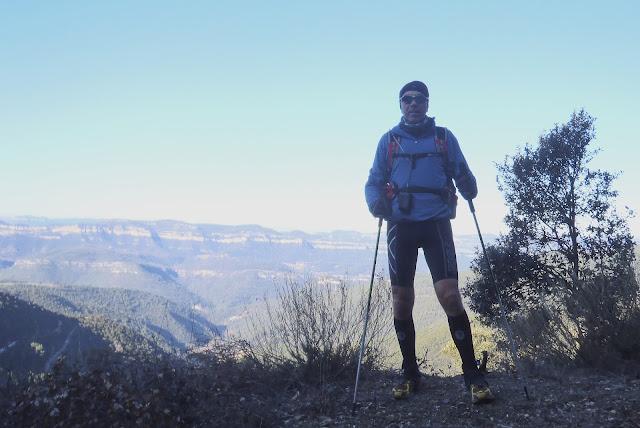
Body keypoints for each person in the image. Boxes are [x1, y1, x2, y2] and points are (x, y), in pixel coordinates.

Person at [364, 81, 494, 404]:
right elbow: (373, 182)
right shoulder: (389, 141)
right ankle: (410, 373)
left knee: (450, 296)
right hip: (400, 226)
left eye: (418, 99)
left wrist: (468, 184)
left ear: (426, 103)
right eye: (406, 100)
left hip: (436, 223)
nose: (413, 104)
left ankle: (471, 374)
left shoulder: (444, 138)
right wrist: (374, 202)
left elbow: (464, 174)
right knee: (401, 299)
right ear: (400, 105)